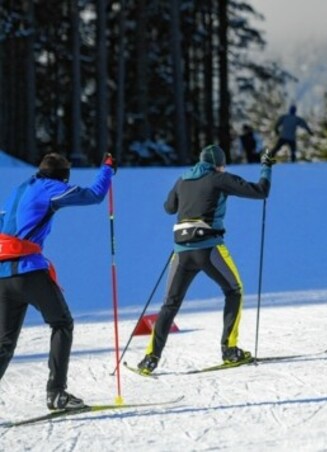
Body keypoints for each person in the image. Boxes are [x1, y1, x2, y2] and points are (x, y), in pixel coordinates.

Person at [136, 145, 273, 375]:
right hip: (209, 249)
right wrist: (266, 167)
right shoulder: (219, 178)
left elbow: (169, 208)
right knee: (234, 290)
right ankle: (229, 350)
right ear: (218, 164)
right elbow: (260, 192)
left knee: (169, 304)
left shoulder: (182, 180)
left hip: (181, 252)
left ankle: (150, 358)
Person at [0, 152, 115, 410]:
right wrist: (107, 169)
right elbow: (94, 195)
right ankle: (56, 394)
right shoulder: (51, 187)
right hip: (28, 272)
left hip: (3, 275)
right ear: (62, 176)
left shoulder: (19, 189)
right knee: (62, 323)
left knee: (5, 343)